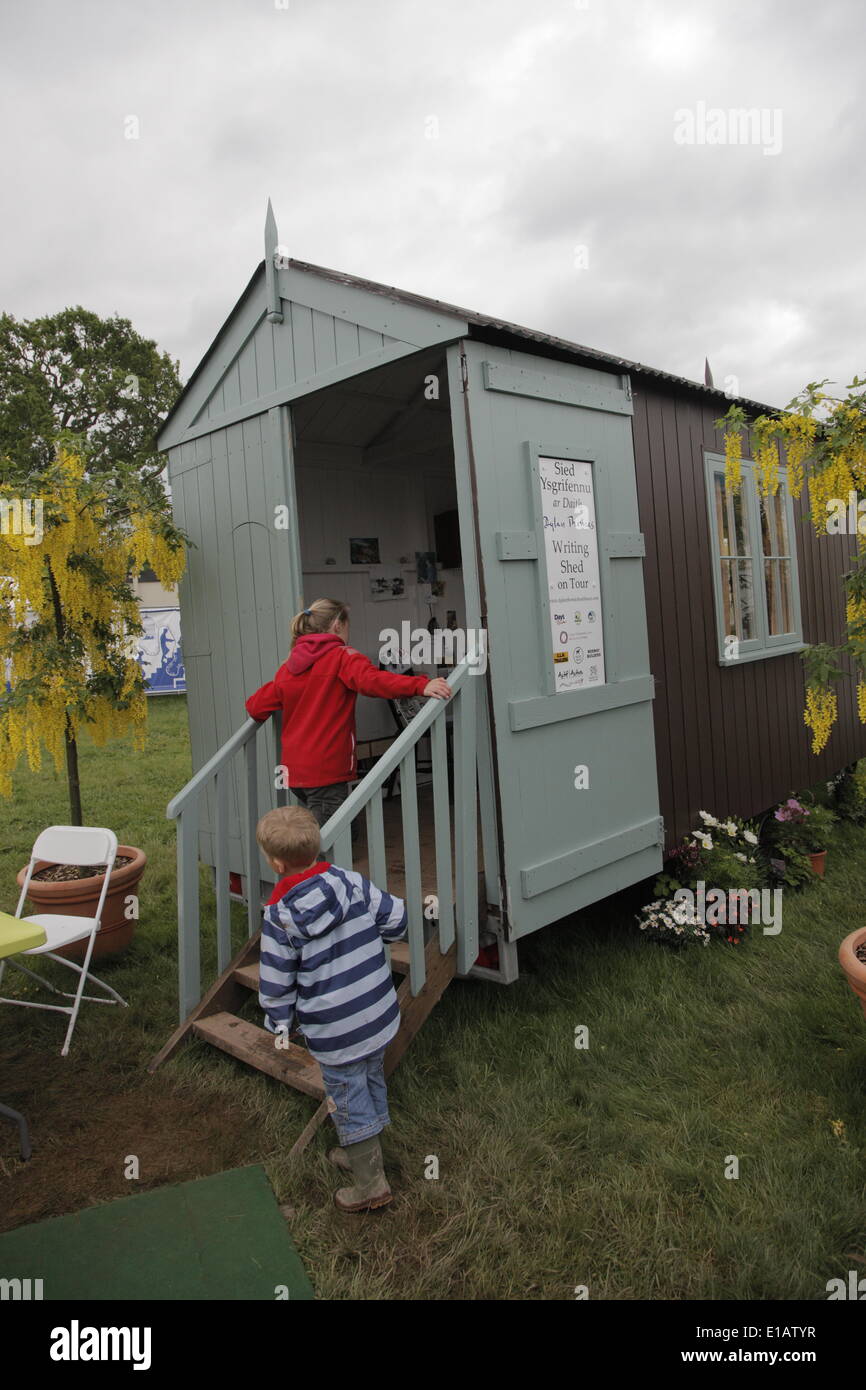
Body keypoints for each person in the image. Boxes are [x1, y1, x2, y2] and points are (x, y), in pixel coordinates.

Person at [256, 804, 407, 1212]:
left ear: (274, 861)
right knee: (370, 1077)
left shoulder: (280, 917)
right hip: (378, 1014)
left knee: (346, 1095)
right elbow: (397, 920)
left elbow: (276, 980)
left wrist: (279, 1021)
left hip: (335, 1031)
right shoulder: (350, 882)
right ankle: (368, 1150)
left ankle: (370, 1183)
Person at [245, 598, 451, 828]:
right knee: (329, 843)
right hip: (326, 771)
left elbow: (256, 707)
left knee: (317, 833)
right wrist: (419, 685)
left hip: (294, 772)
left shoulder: (289, 667)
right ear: (337, 626)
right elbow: (372, 681)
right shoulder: (341, 657)